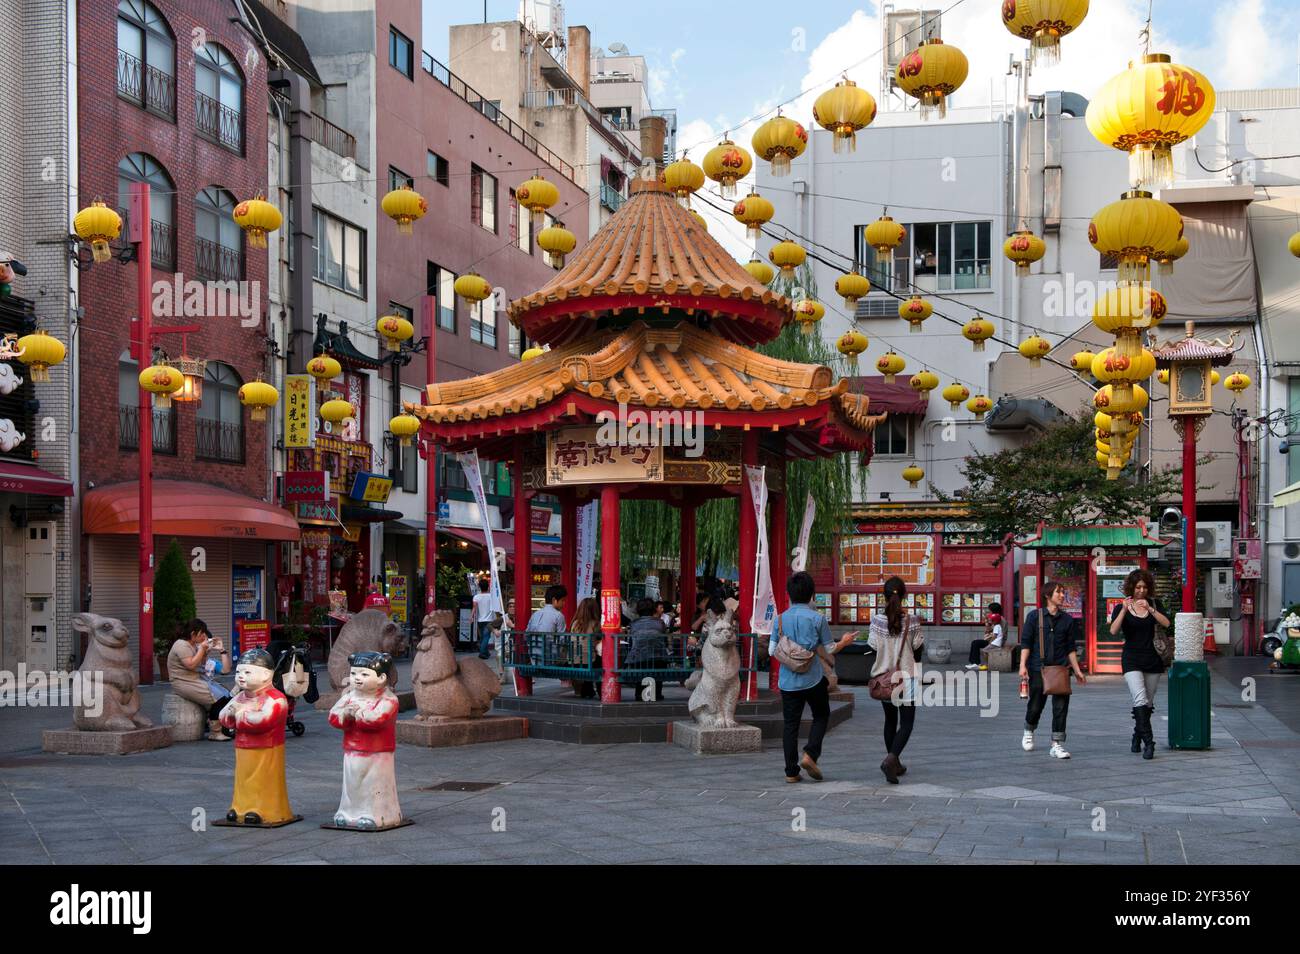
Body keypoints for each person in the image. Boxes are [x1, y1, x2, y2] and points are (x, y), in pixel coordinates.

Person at [770, 572, 855, 783]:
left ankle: (791, 772)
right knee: (821, 715)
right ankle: (810, 754)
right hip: (813, 678)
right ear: (811, 595)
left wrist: (790, 655)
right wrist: (844, 641)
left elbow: (772, 650)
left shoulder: (779, 620)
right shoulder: (818, 619)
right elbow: (830, 648)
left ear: (789, 594)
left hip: (788, 681)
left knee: (790, 725)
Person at [1019, 580, 1087, 759]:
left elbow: (1070, 648)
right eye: (1058, 592)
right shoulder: (1034, 616)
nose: (1062, 595)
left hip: (1061, 668)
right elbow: (1026, 643)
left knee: (1061, 707)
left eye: (1063, 592)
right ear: (1048, 596)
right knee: (1035, 705)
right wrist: (1022, 665)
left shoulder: (1067, 619)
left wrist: (1077, 670)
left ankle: (1056, 744)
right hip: (1037, 668)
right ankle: (1028, 731)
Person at [868, 576, 925, 784]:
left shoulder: (876, 621)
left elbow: (872, 647)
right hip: (907, 679)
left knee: (890, 721)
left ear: (883, 595)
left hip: (884, 680)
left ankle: (894, 762)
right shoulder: (913, 621)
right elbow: (918, 651)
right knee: (907, 723)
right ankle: (891, 760)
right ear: (904, 596)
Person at [1110, 569, 1171, 760]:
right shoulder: (1122, 607)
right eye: (1138, 587)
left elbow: (1167, 623)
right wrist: (1124, 610)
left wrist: (1151, 609)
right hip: (1131, 659)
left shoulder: (1154, 603)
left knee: (1148, 704)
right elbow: (1113, 630)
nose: (1141, 591)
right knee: (1140, 700)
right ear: (1131, 587)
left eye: (1145, 587)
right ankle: (1149, 742)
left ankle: (1136, 736)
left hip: (1152, 659)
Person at [167, 619, 233, 741]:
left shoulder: (192, 645)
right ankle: (215, 732)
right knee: (218, 699)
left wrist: (209, 651)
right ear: (193, 634)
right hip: (183, 682)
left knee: (226, 696)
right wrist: (202, 649)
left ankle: (223, 729)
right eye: (202, 633)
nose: (204, 636)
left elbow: (203, 665)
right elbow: (191, 665)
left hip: (194, 679)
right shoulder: (181, 645)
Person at [626, 597, 670, 700]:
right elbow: (665, 642)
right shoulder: (660, 623)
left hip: (638, 658)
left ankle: (639, 693)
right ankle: (657, 693)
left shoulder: (633, 624)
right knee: (658, 665)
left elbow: (631, 643)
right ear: (653, 610)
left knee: (640, 664)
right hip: (658, 658)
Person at [569, 596, 601, 698]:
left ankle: (587, 690)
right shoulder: (596, 624)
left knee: (586, 656)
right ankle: (600, 691)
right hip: (589, 660)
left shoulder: (575, 623)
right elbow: (598, 642)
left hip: (574, 659)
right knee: (602, 662)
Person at [965, 601, 1006, 669]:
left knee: (975, 643)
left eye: (990, 610)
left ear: (993, 610)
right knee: (975, 642)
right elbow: (989, 630)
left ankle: (976, 663)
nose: (989, 611)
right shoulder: (995, 618)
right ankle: (974, 662)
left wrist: (993, 640)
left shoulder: (1000, 620)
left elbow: (1001, 633)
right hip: (992, 640)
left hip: (995, 642)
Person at [472, 577, 495, 659]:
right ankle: (482, 652)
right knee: (486, 637)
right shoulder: (491, 596)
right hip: (489, 620)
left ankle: (486, 653)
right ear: (488, 587)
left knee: (483, 636)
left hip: (480, 620)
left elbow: (474, 608)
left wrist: (471, 617)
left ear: (479, 587)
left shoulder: (476, 597)